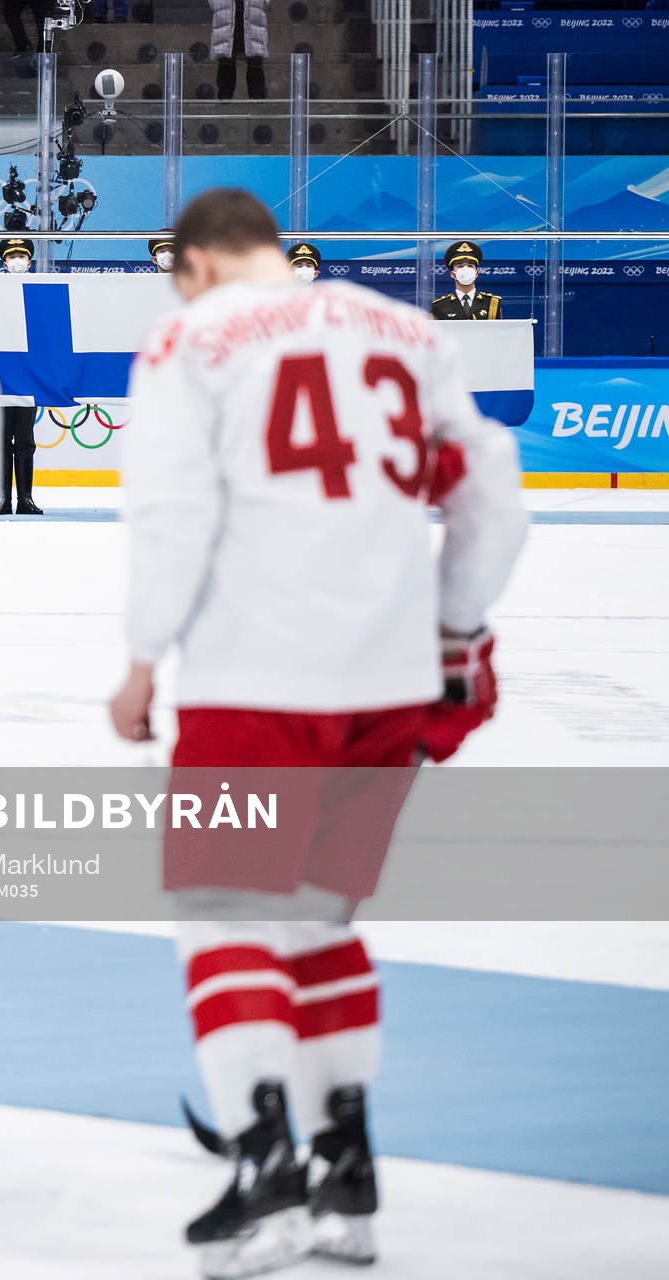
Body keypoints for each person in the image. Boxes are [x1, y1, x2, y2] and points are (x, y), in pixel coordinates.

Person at [109, 188, 526, 1278]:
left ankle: (266, 1169)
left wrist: (146, 654)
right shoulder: (405, 328)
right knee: (321, 920)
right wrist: (453, 630)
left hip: (256, 672)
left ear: (196, 261)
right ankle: (348, 1172)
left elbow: (171, 512)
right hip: (386, 677)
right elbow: (494, 495)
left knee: (226, 916)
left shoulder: (190, 338)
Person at [0, 235, 42, 515]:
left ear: (30, 261)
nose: (17, 262)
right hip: (0, 376)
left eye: (22, 257)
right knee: (1, 439)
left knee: (25, 439)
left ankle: (25, 498)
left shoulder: (38, 290)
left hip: (28, 376)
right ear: (4, 262)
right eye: (12, 258)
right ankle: (4, 499)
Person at [212, 0, 269, 101]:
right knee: (226, 57)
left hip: (252, 13)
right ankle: (224, 97)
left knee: (255, 58)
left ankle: (257, 97)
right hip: (226, 13)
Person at [429, 241, 501, 320]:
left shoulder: (492, 302)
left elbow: (499, 331)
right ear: (452, 274)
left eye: (470, 265)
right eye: (460, 266)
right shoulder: (439, 305)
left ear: (476, 273)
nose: (465, 269)